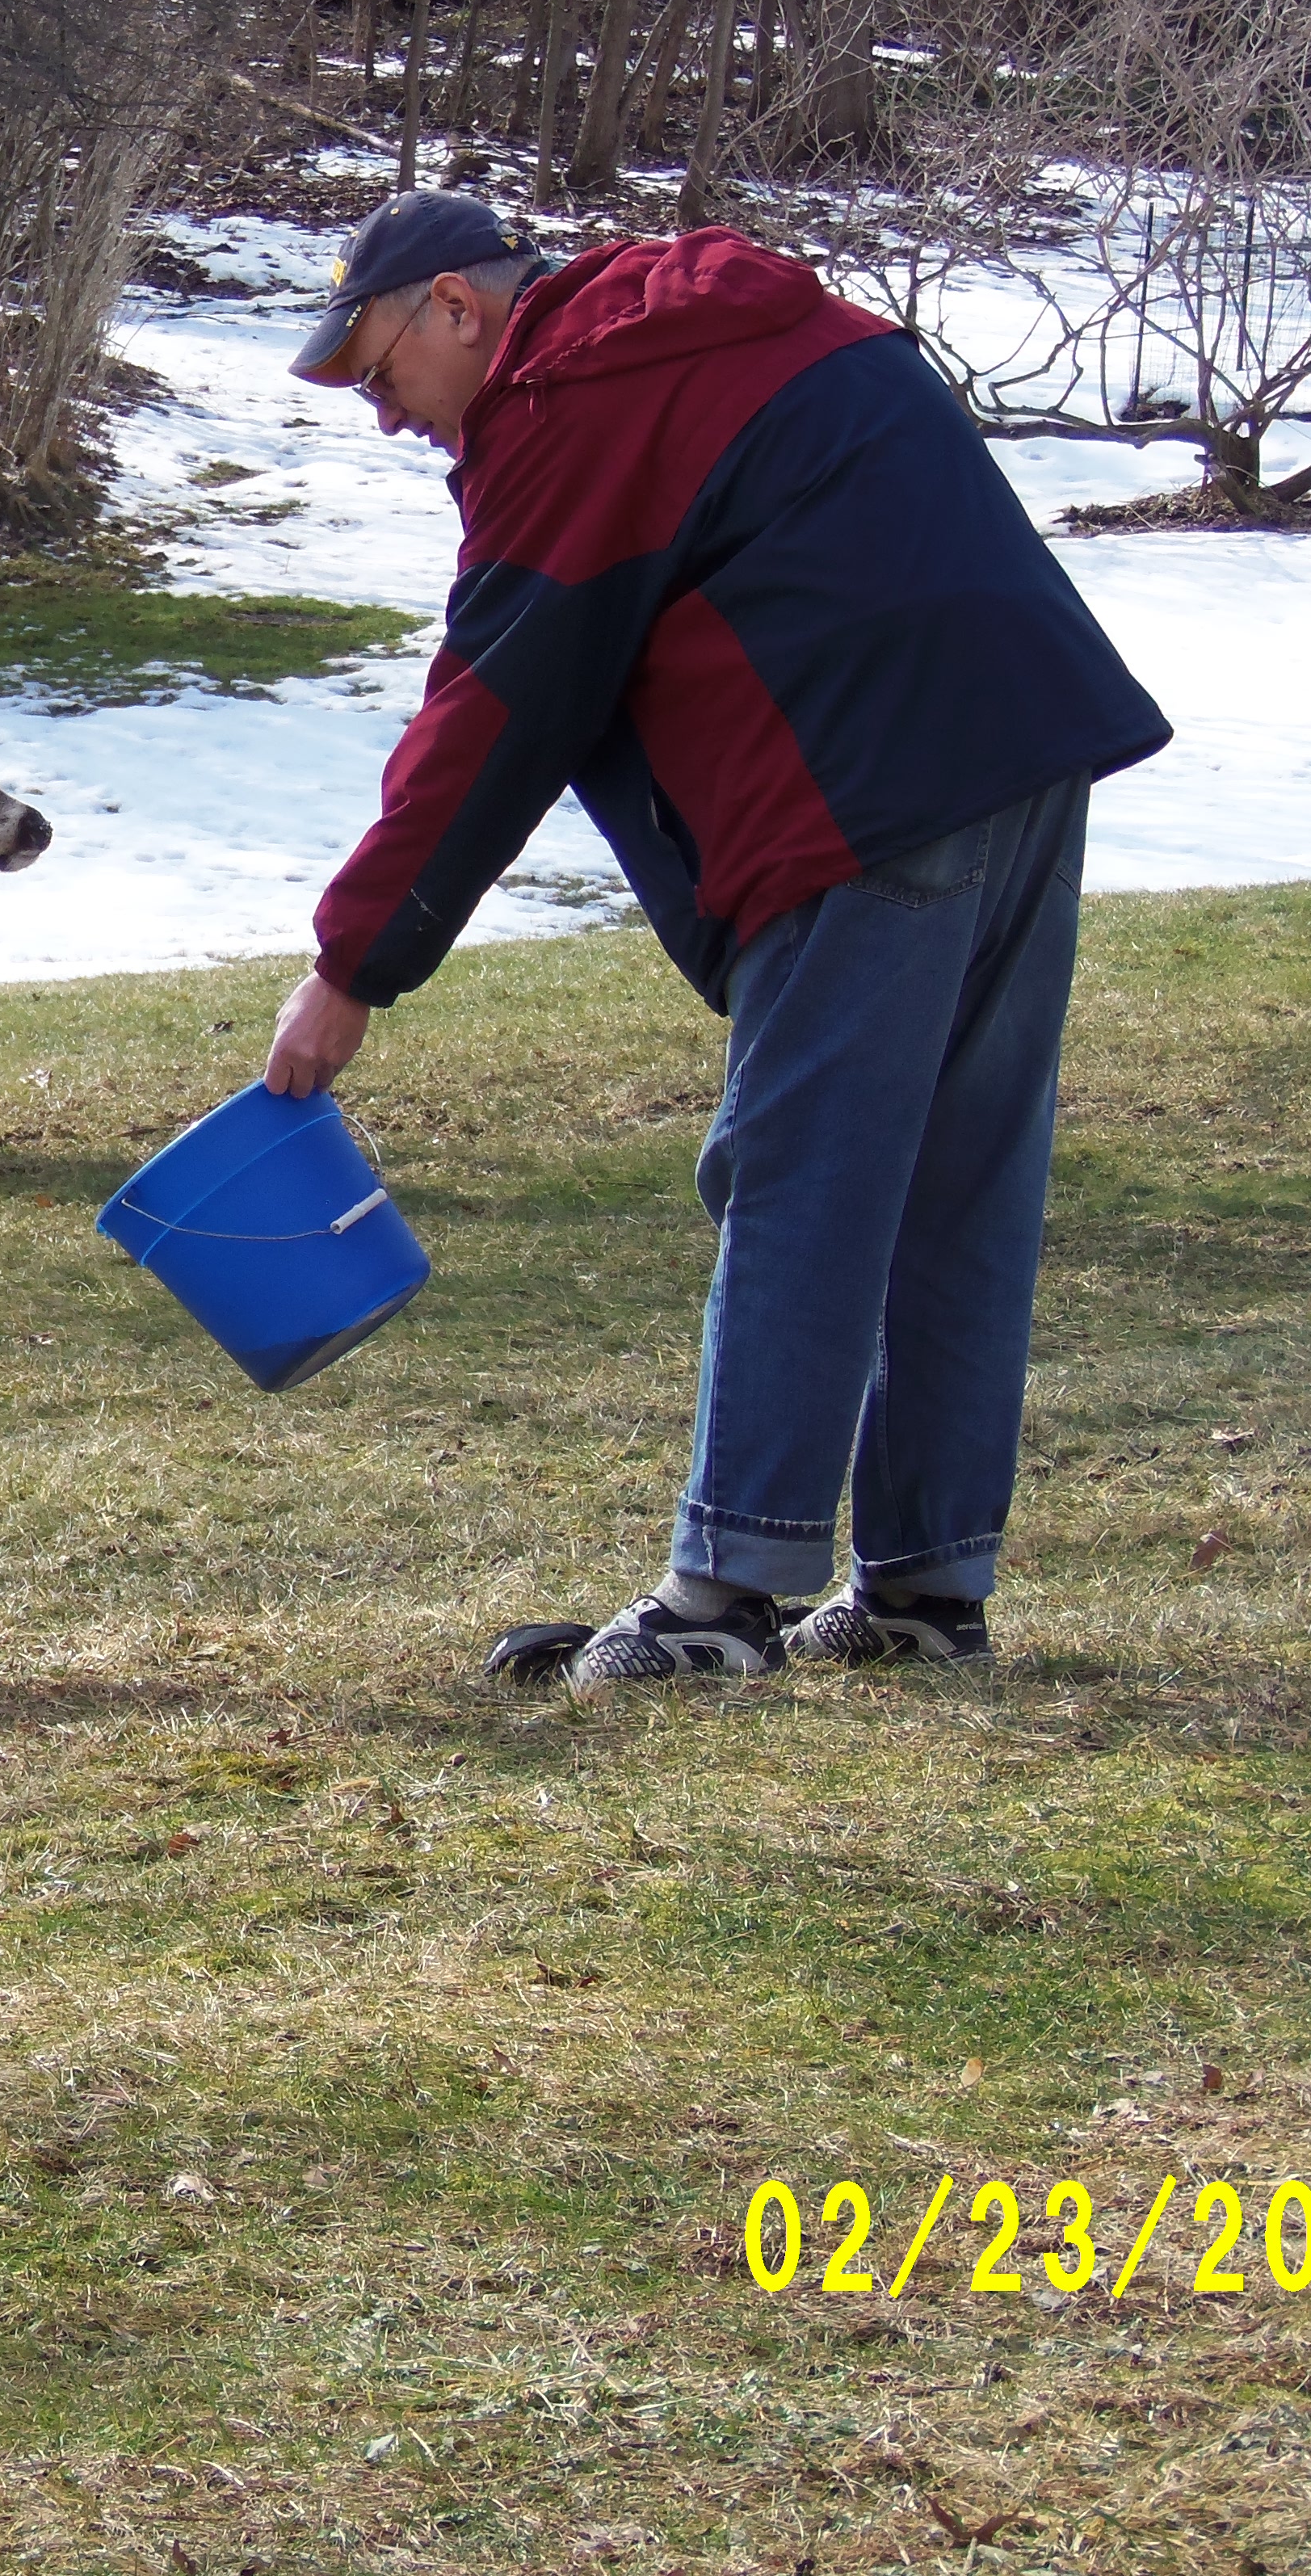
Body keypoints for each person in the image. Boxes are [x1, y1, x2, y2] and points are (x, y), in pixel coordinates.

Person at [259, 192, 1170, 1698]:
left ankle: (723, 1595)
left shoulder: (569, 403)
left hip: (860, 791)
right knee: (959, 1176)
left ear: (459, 312)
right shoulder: (706, 323)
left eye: (375, 373)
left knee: (801, 1172)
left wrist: (353, 966)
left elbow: (493, 712)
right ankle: (928, 1591)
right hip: (1023, 749)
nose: (384, 418)